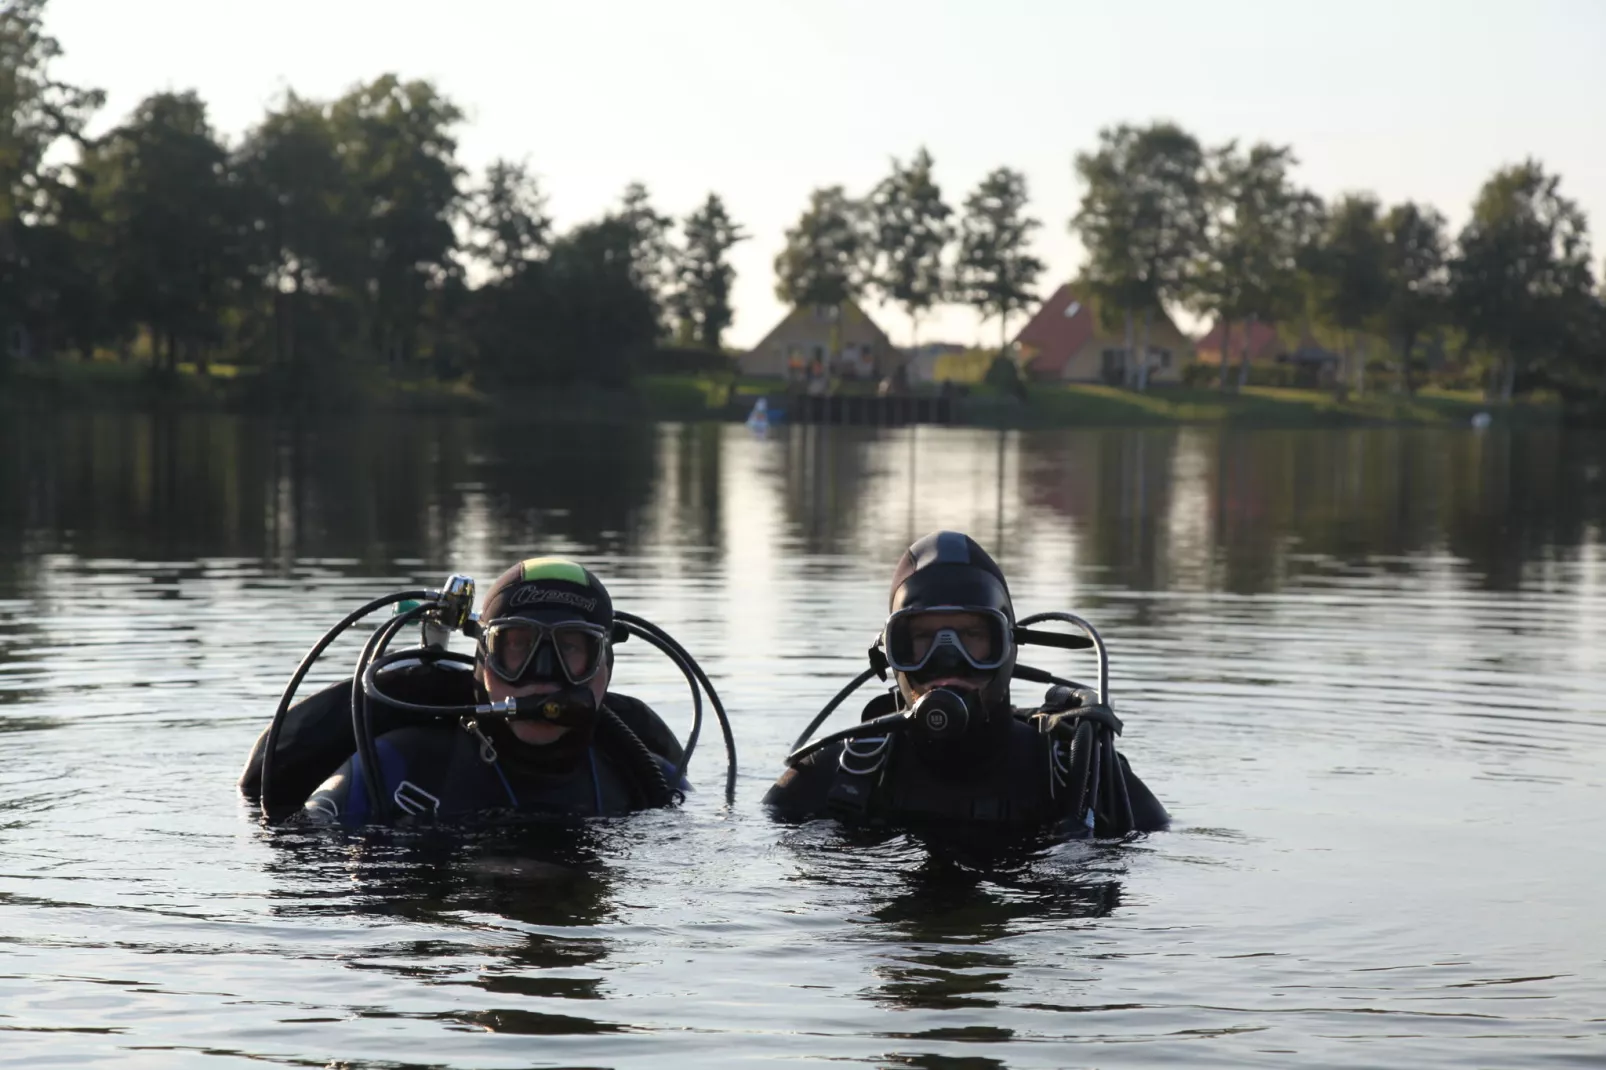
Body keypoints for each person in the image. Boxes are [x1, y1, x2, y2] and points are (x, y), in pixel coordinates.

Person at [763, 531, 1169, 836]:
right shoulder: (837, 772)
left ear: (1009, 645)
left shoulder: (1081, 775)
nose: (948, 660)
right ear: (891, 653)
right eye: (921, 639)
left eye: (973, 636)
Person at [294, 557, 685, 825]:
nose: (543, 676)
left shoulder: (647, 779)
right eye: (516, 646)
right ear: (482, 664)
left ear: (605, 669)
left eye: (571, 649)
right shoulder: (396, 769)